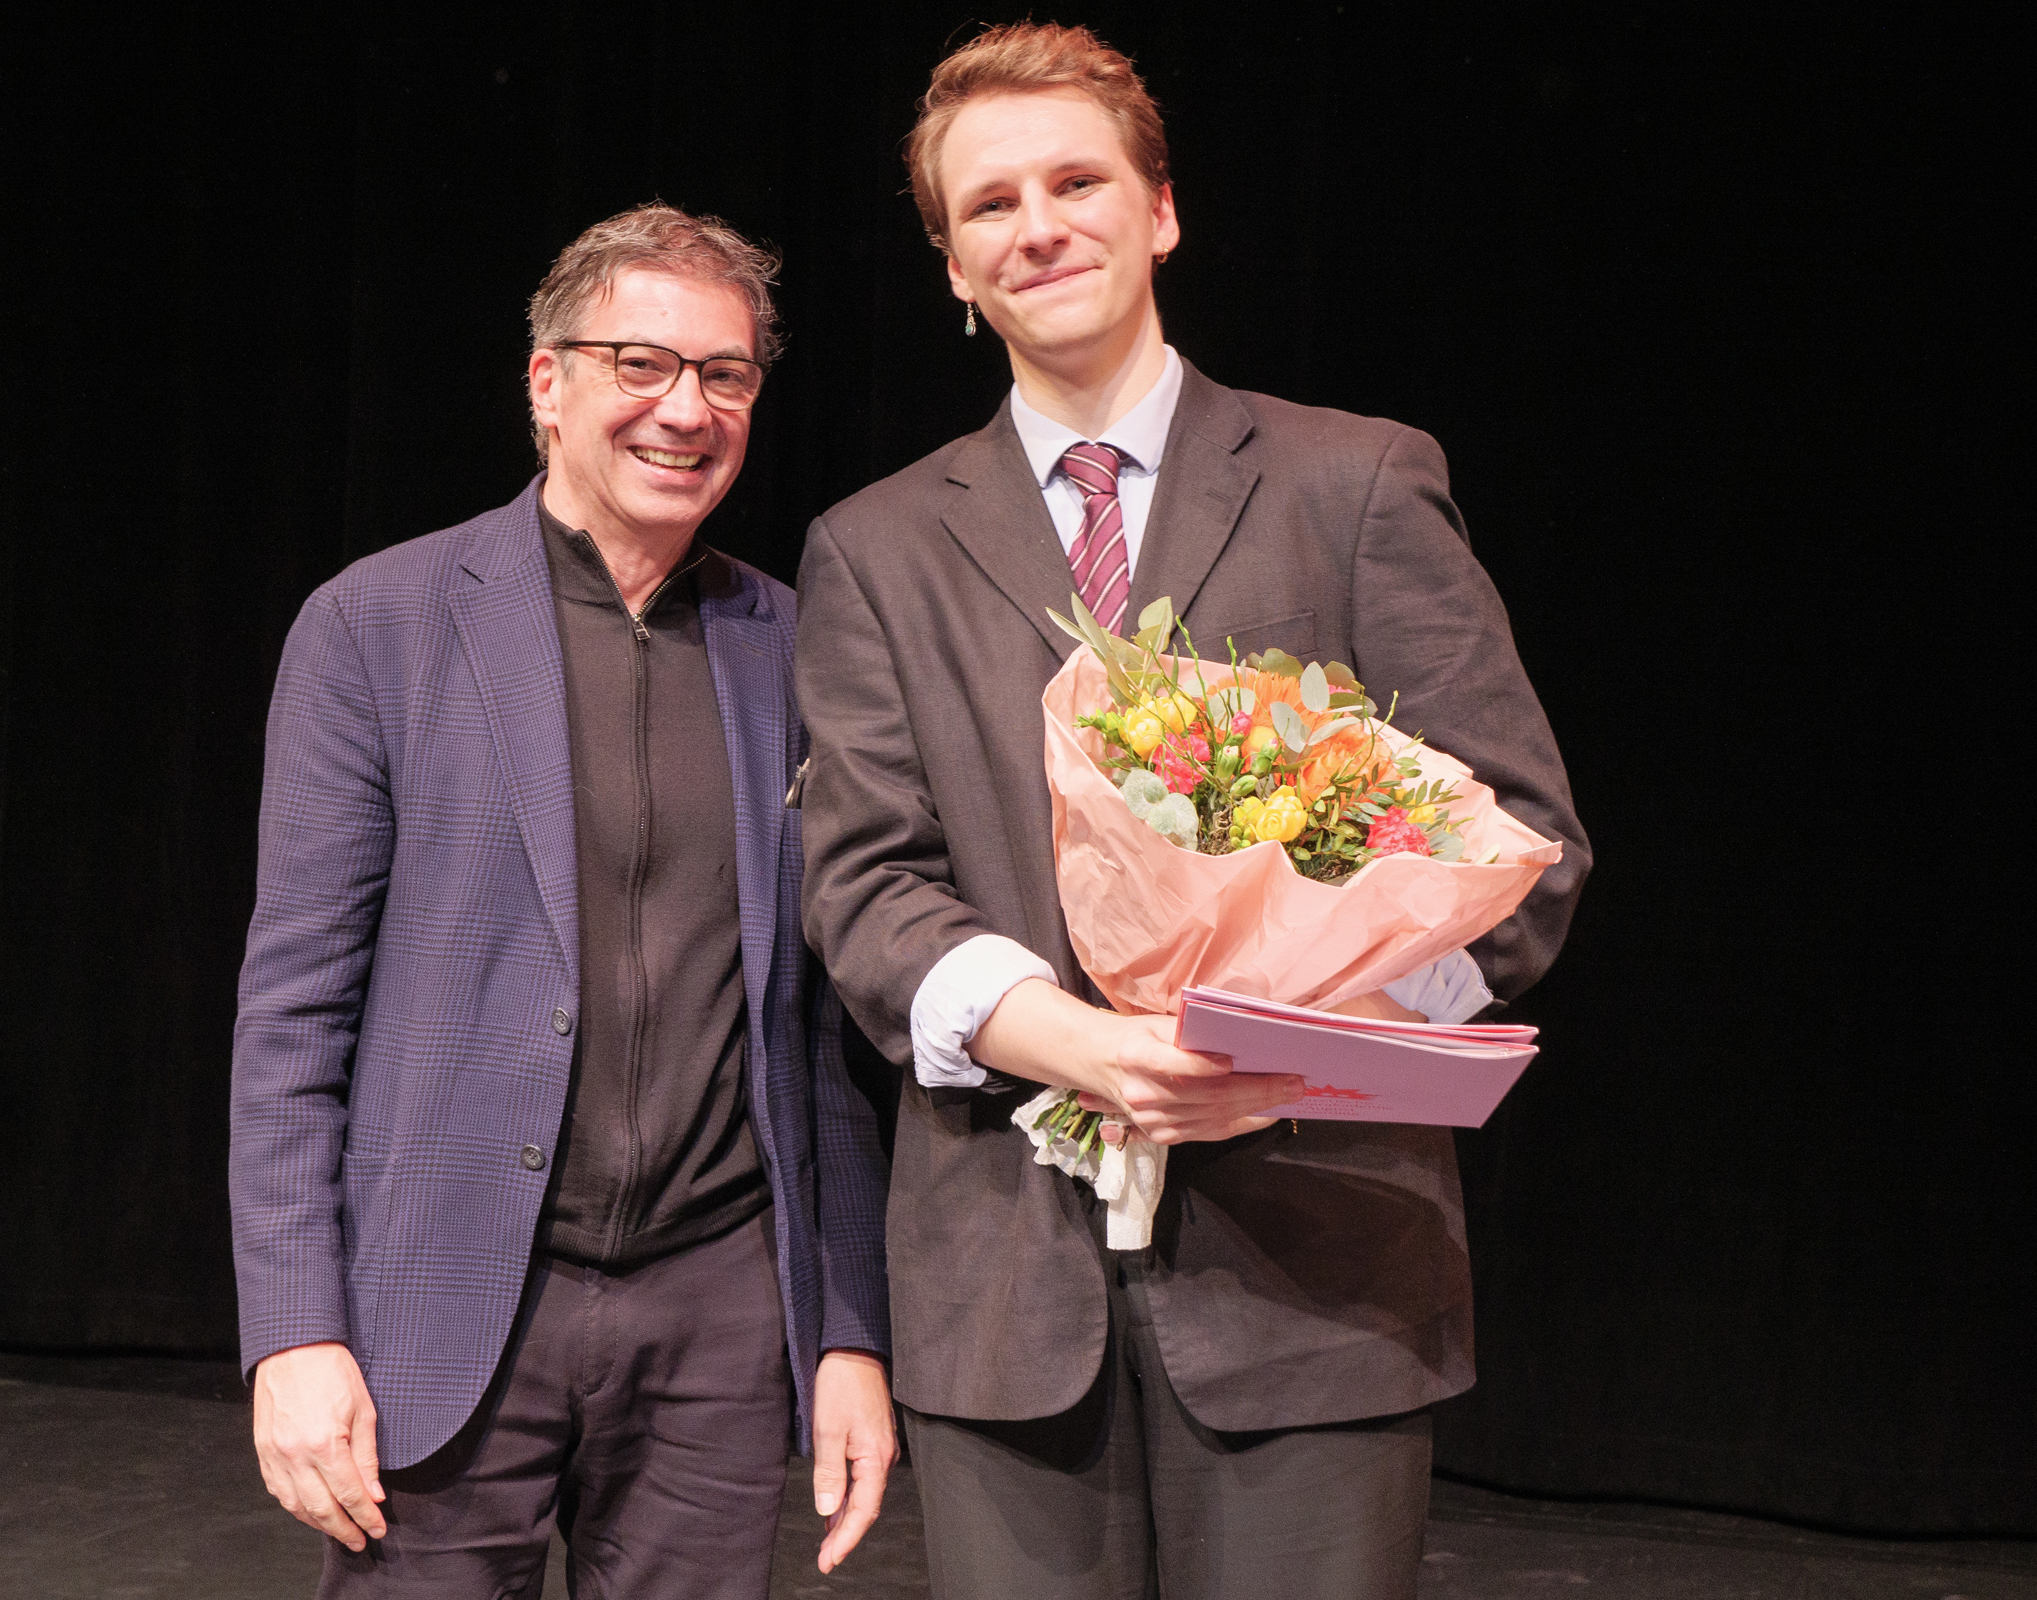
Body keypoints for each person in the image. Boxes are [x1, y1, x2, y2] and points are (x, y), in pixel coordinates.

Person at [795, 24, 1591, 1599]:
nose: (1039, 226)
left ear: (1160, 210)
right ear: (952, 265)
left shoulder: (1355, 482)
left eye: (1077, 181)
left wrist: (1294, 1055)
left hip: (1318, 1283)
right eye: (990, 205)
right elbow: (865, 887)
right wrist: (1078, 1046)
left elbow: (1519, 851)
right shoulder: (874, 547)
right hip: (1007, 1301)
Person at [232, 203, 895, 1598]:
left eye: (725, 376)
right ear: (548, 383)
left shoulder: (798, 650)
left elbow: (823, 1035)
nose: (686, 410)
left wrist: (846, 1331)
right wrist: (294, 1330)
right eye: (641, 364)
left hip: (716, 1316)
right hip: (449, 1298)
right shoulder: (379, 625)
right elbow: (292, 1017)